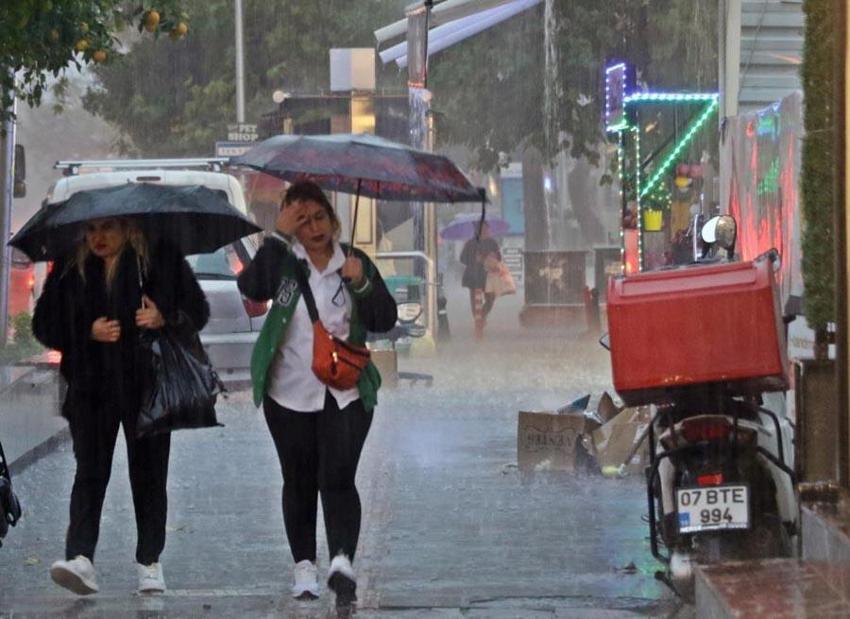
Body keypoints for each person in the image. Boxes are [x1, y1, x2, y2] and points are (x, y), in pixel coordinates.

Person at [237, 181, 397, 609]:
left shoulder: (355, 262)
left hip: (345, 392)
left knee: (339, 476)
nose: (314, 227)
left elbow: (385, 318)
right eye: (302, 219)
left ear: (334, 218)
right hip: (288, 393)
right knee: (299, 478)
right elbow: (252, 288)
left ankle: (342, 560)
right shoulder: (284, 261)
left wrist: (362, 283)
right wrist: (277, 235)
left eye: (319, 217)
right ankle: (304, 565)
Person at [32, 217, 209, 596]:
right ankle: (80, 557)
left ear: (129, 228)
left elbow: (198, 310)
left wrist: (164, 317)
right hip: (91, 391)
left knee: (148, 476)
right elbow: (44, 324)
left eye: (108, 227)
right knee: (90, 472)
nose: (98, 237)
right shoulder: (70, 265)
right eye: (92, 229)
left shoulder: (158, 258)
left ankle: (149, 561)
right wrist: (85, 331)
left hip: (148, 386)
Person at [459, 221, 501, 338]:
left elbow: (499, 258)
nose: (487, 231)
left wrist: (493, 256)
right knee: (475, 302)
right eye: (484, 229)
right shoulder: (470, 243)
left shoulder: (492, 243)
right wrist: (474, 259)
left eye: (488, 229)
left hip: (488, 276)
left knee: (491, 299)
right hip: (473, 276)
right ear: (478, 230)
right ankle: (478, 324)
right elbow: (462, 259)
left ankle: (481, 318)